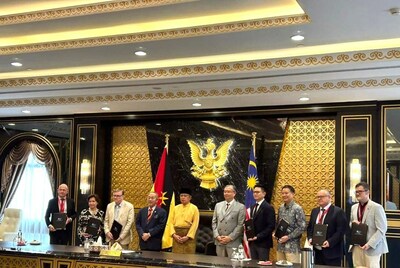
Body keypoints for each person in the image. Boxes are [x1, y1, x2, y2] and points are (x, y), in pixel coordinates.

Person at [350, 182, 388, 268]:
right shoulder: (354, 207)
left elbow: (382, 229)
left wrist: (369, 244)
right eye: (356, 192)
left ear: (367, 192)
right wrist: (352, 224)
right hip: (357, 246)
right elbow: (351, 224)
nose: (357, 193)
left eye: (360, 191)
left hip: (372, 247)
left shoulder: (376, 207)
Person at [307, 189, 347, 266]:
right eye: (318, 197)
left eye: (322, 196)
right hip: (317, 251)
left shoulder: (338, 212)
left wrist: (330, 242)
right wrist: (310, 238)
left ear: (329, 197)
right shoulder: (314, 211)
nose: (319, 198)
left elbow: (341, 231)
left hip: (332, 252)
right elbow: (310, 228)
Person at [275, 185, 306, 264]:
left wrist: (288, 237)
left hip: (292, 246)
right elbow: (278, 223)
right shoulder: (281, 207)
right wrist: (275, 233)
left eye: (286, 193)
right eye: (282, 193)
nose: (284, 195)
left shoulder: (297, 208)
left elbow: (302, 227)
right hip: (280, 245)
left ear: (293, 194)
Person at [212, 185, 246, 257]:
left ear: (234, 193)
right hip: (219, 241)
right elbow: (214, 222)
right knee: (220, 264)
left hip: (233, 242)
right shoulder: (218, 205)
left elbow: (240, 225)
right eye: (224, 192)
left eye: (228, 192)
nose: (226, 193)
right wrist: (217, 236)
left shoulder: (240, 207)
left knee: (233, 264)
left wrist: (229, 238)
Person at [247, 184, 275, 261]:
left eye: (257, 192)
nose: (255, 194)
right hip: (252, 242)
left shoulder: (268, 207)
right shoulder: (253, 207)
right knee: (253, 265)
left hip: (263, 243)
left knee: (262, 265)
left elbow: (271, 226)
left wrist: (258, 236)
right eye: (254, 192)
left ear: (264, 194)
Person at [170, 188, 199, 254]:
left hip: (188, 236)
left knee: (188, 258)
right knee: (175, 257)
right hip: (177, 236)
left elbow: (195, 224)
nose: (183, 197)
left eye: (185, 196)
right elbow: (170, 222)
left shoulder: (194, 208)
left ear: (190, 197)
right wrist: (174, 235)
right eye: (181, 196)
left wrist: (187, 236)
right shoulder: (175, 208)